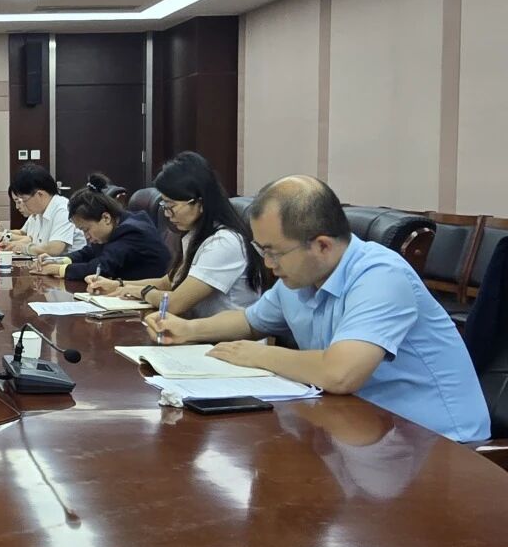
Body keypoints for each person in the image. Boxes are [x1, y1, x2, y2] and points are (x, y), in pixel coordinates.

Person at [146, 175, 490, 442]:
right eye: (261, 249)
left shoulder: (380, 276)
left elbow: (341, 373)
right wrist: (188, 329)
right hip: (360, 428)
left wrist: (259, 355)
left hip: (439, 444)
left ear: (322, 245)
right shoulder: (300, 278)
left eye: (274, 252)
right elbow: (250, 322)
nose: (267, 263)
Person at [87, 152, 263, 317]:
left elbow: (175, 303)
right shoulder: (194, 234)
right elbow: (168, 282)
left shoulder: (224, 243)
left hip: (227, 336)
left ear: (199, 202)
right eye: (164, 206)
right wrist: (118, 285)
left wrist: (141, 291)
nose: (166, 214)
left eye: (171, 206)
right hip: (197, 331)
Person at [30, 174, 170, 281]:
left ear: (106, 218)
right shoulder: (114, 227)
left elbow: (101, 267)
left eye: (86, 230)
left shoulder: (132, 232)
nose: (86, 236)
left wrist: (57, 270)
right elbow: (88, 252)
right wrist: (56, 260)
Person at [0, 163, 77, 257]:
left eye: (24, 200)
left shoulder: (63, 209)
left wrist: (24, 248)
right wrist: (13, 244)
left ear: (40, 194)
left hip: (69, 265)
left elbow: (55, 248)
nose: (23, 204)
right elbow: (32, 239)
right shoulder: (40, 212)